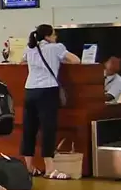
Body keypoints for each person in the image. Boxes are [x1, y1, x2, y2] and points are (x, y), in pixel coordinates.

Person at [23, 24, 81, 179]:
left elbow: (22, 61)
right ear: (48, 36)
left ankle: (28, 167)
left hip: (29, 90)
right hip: (47, 91)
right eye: (54, 35)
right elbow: (76, 60)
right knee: (48, 129)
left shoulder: (29, 49)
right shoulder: (56, 48)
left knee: (29, 129)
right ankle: (49, 168)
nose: (56, 38)